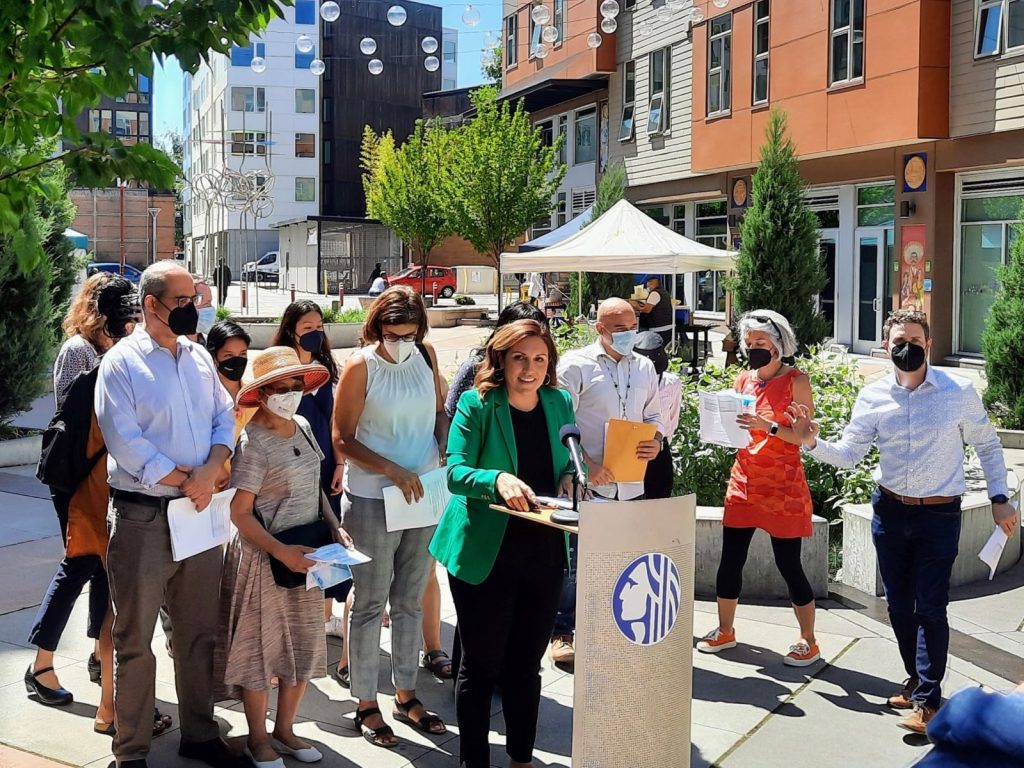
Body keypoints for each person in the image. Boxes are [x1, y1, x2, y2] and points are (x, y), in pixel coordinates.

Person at [788, 308, 1016, 734]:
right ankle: (916, 679)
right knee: (898, 604)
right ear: (886, 347)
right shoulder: (873, 396)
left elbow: (987, 445)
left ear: (928, 345)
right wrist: (811, 442)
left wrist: (999, 498)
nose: (906, 348)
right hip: (890, 511)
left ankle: (929, 701)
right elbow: (850, 453)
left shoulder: (958, 391)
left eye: (914, 341)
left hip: (939, 513)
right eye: (898, 342)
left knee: (930, 604)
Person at [95, 261, 246, 768]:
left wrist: (215, 465)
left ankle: (199, 735)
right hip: (144, 519)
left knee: (198, 632)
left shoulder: (199, 358)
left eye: (195, 297)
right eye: (183, 300)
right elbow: (126, 443)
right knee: (135, 638)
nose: (194, 306)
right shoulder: (121, 364)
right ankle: (131, 751)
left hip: (199, 515)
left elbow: (226, 415)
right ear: (152, 304)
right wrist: (189, 479)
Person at [431, 319, 575, 768]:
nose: (530, 369)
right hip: (485, 553)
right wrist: (496, 479)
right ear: (501, 360)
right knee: (481, 666)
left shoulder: (560, 401)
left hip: (543, 552)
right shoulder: (478, 405)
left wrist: (571, 478)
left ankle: (521, 759)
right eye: (519, 358)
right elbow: (455, 473)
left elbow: (568, 463)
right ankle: (474, 761)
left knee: (525, 666)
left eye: (539, 359)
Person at [216, 347, 350, 768]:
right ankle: (258, 738)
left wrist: (335, 526)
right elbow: (239, 512)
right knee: (260, 650)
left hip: (310, 555)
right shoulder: (252, 440)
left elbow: (315, 488)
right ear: (262, 392)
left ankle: (285, 729)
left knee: (306, 645)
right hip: (264, 559)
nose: (290, 394)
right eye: (281, 387)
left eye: (296, 386)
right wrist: (281, 551)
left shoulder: (306, 425)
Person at [25, 275, 142, 733]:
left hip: (107, 475)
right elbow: (83, 411)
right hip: (77, 477)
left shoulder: (115, 344)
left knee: (106, 567)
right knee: (78, 563)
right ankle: (40, 665)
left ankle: (101, 651)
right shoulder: (78, 350)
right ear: (97, 307)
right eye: (119, 308)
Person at [333, 285, 448, 748]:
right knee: (368, 604)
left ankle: (406, 693)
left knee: (410, 598)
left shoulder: (427, 354)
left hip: (422, 494)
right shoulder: (361, 366)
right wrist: (391, 469)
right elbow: (341, 440)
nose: (400, 340)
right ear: (376, 327)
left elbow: (439, 410)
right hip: (372, 498)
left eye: (408, 332)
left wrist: (441, 450)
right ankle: (365, 702)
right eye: (391, 332)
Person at [695, 310, 820, 667]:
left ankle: (808, 639)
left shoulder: (797, 380)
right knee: (731, 557)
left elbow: (806, 437)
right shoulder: (743, 380)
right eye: (749, 343)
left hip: (783, 484)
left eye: (760, 343)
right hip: (745, 478)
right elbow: (736, 429)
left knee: (788, 562)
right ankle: (725, 629)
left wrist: (771, 427)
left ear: (780, 345)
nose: (753, 349)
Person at [552, 297, 664, 668]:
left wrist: (656, 440)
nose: (629, 335)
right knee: (575, 561)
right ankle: (562, 632)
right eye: (619, 329)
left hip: (631, 481)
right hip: (586, 480)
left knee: (621, 560)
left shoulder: (645, 366)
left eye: (633, 327)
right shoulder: (575, 366)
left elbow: (653, 413)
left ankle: (611, 629)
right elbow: (559, 422)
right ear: (599, 328)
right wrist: (586, 464)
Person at [271, 301, 351, 660]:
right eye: (307, 326)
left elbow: (337, 422)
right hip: (291, 467)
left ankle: (324, 617)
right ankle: (290, 618)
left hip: (326, 463)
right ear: (291, 329)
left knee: (326, 538)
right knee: (295, 536)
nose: (315, 331)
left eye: (319, 324)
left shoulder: (328, 370)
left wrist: (339, 465)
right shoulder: (280, 371)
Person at [632, 331, 682, 500]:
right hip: (633, 446)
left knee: (660, 501)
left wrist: (661, 442)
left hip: (659, 447)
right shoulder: (629, 381)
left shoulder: (672, 383)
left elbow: (673, 418)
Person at [630, 274, 674, 347]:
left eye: (649, 286)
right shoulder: (665, 292)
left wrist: (637, 306)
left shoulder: (654, 293)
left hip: (658, 327)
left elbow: (647, 310)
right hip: (668, 326)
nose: (648, 288)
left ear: (653, 284)